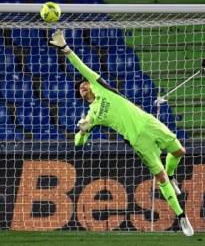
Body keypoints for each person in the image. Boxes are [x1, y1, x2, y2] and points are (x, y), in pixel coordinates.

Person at [50, 30, 194, 236]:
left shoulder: (102, 88)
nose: (82, 86)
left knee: (179, 151)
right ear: (81, 97)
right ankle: (181, 217)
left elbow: (81, 66)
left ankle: (173, 176)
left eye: (84, 83)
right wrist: (82, 131)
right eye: (79, 88)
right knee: (159, 176)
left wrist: (65, 48)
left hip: (148, 121)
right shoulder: (91, 115)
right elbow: (78, 144)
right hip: (137, 140)